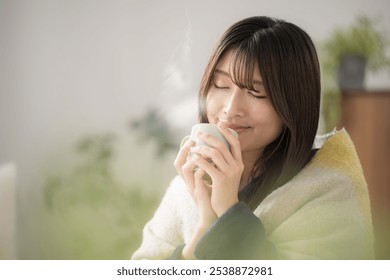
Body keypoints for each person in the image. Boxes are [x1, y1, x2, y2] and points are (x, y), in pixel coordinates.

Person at [131, 16, 374, 260]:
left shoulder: (328, 189)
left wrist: (228, 212)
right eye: (221, 85)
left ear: (293, 104)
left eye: (256, 93)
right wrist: (206, 225)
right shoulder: (186, 187)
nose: (230, 108)